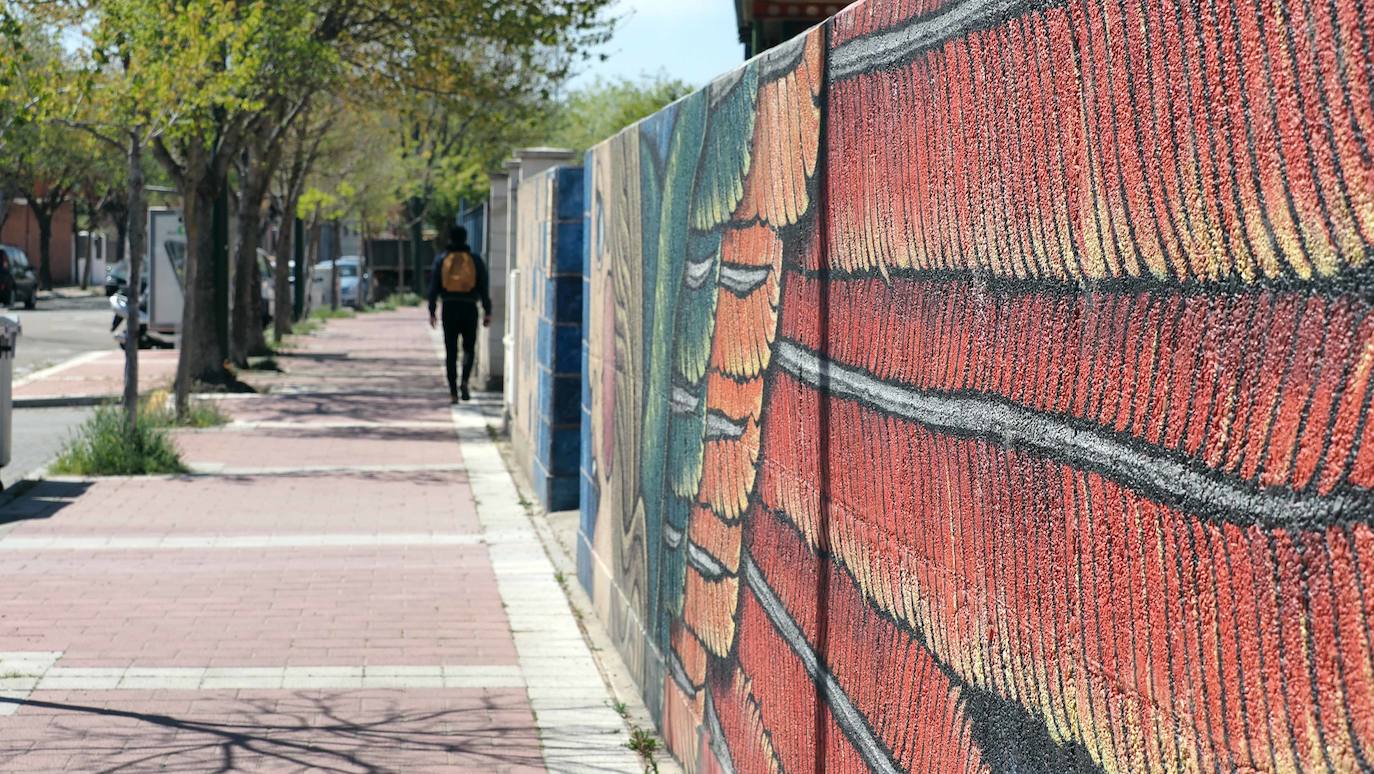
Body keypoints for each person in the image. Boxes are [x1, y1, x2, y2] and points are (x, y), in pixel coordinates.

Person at [429, 225, 492, 402]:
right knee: (469, 348)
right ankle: (464, 380)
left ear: (450, 238)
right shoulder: (475, 260)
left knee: (451, 351)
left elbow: (433, 287)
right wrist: (487, 311)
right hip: (469, 307)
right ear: (466, 239)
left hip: (449, 307)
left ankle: (452, 392)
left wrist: (432, 311)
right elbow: (483, 287)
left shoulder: (442, 260)